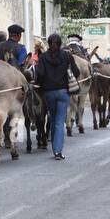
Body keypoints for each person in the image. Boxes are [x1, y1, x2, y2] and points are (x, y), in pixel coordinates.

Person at [35, 32, 75, 160]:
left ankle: (55, 148)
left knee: (52, 118)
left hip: (49, 93)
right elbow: (76, 71)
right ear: (60, 43)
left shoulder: (43, 58)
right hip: (64, 92)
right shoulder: (67, 56)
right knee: (59, 121)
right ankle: (57, 151)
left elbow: (39, 75)